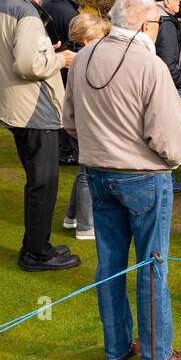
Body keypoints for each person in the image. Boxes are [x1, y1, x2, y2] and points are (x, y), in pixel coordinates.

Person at [63, 0, 181, 360]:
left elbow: (69, 120)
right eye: (154, 23)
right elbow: (167, 136)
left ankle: (117, 349)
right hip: (143, 177)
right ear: (144, 25)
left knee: (110, 264)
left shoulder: (84, 56)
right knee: (151, 265)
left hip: (98, 174)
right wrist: (174, 160)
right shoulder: (149, 64)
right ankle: (156, 355)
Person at [0, 0, 79, 272]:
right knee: (44, 182)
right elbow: (28, 65)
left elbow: (17, 50)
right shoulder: (25, 11)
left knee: (38, 181)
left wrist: (45, 49)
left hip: (18, 105)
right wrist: (61, 59)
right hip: (34, 109)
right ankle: (36, 253)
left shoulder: (4, 4)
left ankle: (37, 244)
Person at [61, 13, 110, 241]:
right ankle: (86, 225)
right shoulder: (84, 59)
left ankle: (72, 216)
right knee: (87, 172)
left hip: (81, 119)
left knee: (84, 170)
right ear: (87, 40)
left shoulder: (79, 58)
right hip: (85, 120)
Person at [43, 0, 82, 165]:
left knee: (56, 104)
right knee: (67, 106)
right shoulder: (69, 12)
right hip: (65, 63)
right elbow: (77, 40)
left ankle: (60, 147)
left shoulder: (46, 4)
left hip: (50, 61)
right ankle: (68, 150)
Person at [153, 0, 181, 104]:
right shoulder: (166, 24)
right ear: (167, 2)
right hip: (171, 84)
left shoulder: (155, 18)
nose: (180, 0)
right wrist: (179, 82)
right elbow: (167, 60)